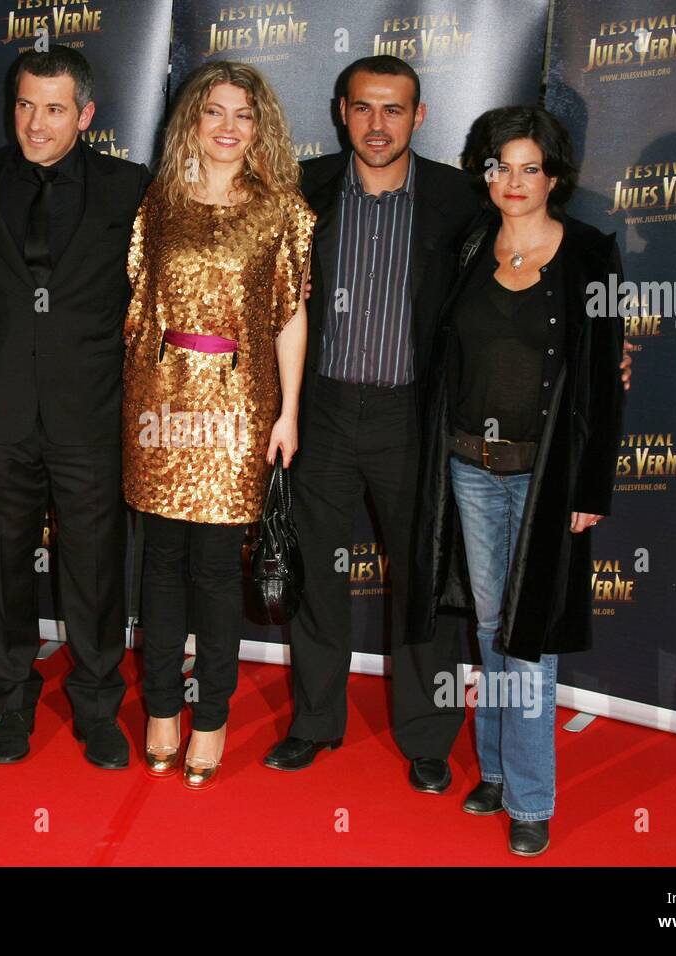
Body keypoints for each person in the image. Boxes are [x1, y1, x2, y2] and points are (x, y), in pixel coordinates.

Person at [411, 105, 625, 856]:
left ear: (554, 177)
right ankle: (497, 772)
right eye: (500, 165)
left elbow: (604, 378)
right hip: (469, 469)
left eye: (529, 166)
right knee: (492, 630)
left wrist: (589, 489)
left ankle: (532, 800)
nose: (512, 179)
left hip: (545, 478)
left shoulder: (592, 255)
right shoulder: (468, 244)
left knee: (527, 640)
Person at [262, 56, 480, 788]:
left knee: (423, 579)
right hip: (319, 411)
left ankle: (427, 738)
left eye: (394, 110)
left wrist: (599, 343)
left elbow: (515, 284)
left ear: (419, 117)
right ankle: (315, 722)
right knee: (317, 574)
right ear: (341, 112)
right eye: (363, 108)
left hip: (413, 418)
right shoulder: (303, 190)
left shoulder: (460, 201)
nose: (377, 124)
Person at [0, 47, 151, 769]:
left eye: (55, 108)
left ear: (86, 114)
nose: (36, 123)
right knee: (0, 563)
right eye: (25, 106)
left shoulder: (131, 189)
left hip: (90, 413)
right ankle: (10, 699)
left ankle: (98, 704)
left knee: (95, 568)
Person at [123, 62, 313, 789]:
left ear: (260, 127)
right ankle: (162, 709)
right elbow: (137, 312)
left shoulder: (282, 208)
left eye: (244, 115)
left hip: (238, 404)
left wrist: (288, 411)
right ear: (190, 124)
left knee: (211, 570)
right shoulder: (159, 202)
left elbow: (290, 317)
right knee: (160, 564)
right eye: (214, 113)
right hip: (160, 398)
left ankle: (211, 718)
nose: (229, 127)